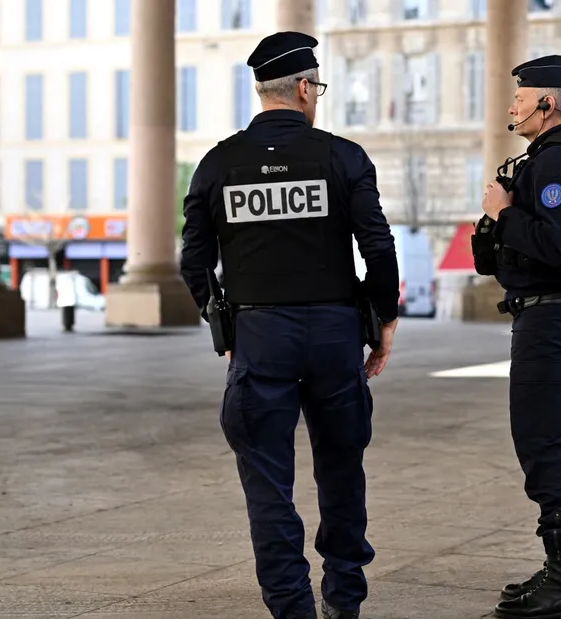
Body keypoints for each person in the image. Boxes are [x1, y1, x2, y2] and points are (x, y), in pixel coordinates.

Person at [178, 31, 400, 619]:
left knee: (268, 482)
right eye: (317, 86)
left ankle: (291, 607)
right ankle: (344, 600)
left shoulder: (219, 163)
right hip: (333, 333)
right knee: (342, 470)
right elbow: (378, 247)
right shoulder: (342, 156)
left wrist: (223, 324)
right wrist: (385, 321)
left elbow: (193, 261)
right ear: (303, 89)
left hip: (260, 335)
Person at [480, 55, 561, 619]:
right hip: (558, 314)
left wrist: (504, 213)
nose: (513, 108)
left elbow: (559, 245)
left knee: (543, 439)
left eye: (521, 99)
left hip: (550, 317)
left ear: (547, 104)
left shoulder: (555, 163)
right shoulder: (559, 158)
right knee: (560, 437)